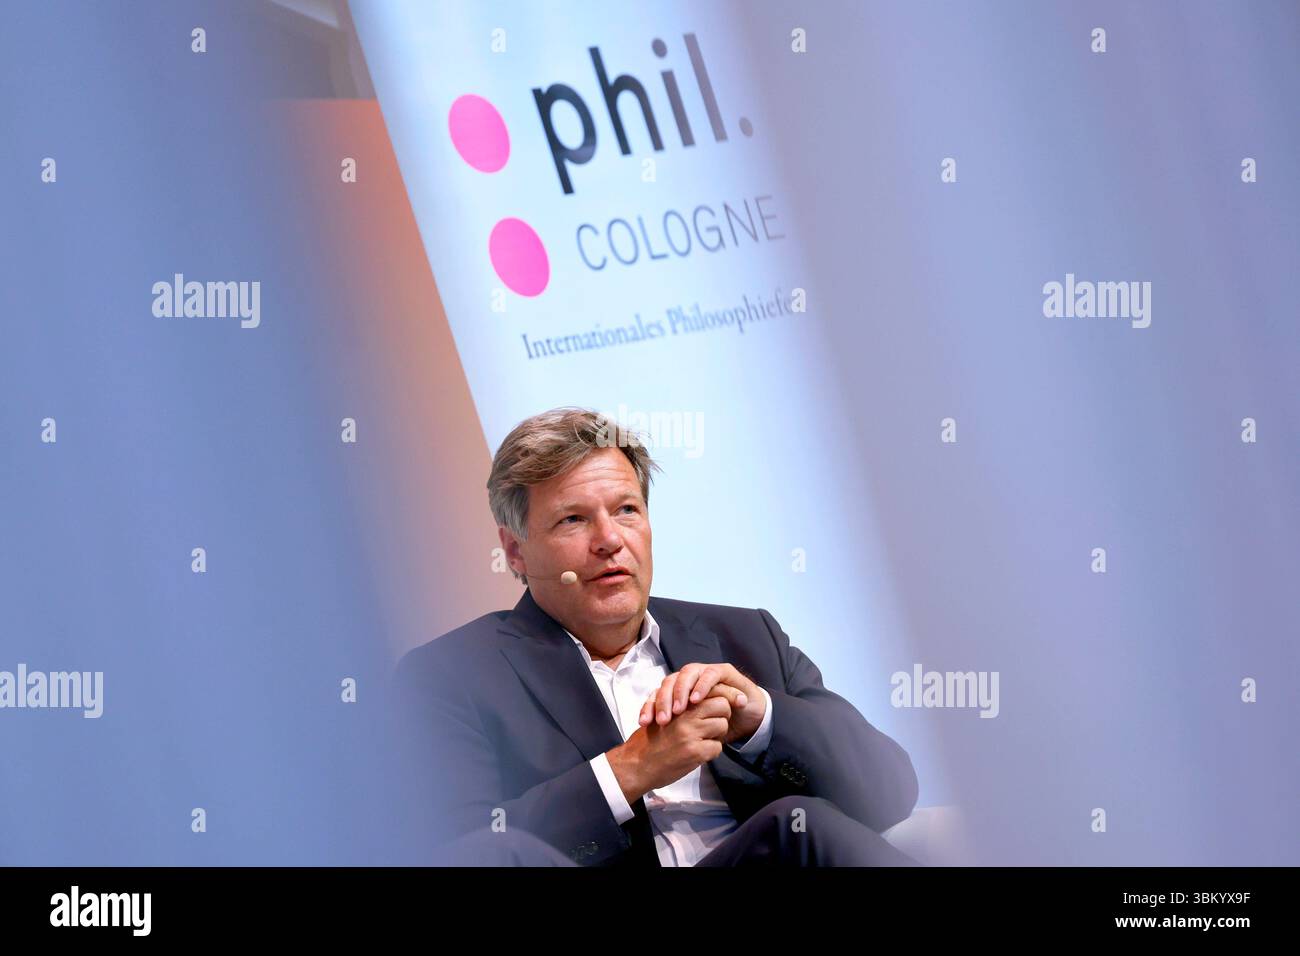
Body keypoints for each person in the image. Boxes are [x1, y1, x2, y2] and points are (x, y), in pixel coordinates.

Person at [393, 407, 920, 866]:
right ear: (515, 552)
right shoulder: (451, 675)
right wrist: (629, 771)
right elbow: (462, 851)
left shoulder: (744, 637)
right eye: (573, 520)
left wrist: (761, 720)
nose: (610, 541)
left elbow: (891, 792)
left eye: (626, 510)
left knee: (799, 823)